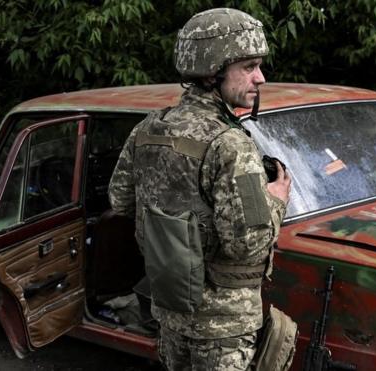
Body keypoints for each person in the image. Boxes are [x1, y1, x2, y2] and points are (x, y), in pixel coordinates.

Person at [108, 7, 291, 371]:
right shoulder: (231, 146)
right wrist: (276, 199)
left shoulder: (149, 129)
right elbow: (247, 244)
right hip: (223, 327)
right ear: (213, 71)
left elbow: (119, 200)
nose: (261, 78)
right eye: (249, 66)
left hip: (170, 311)